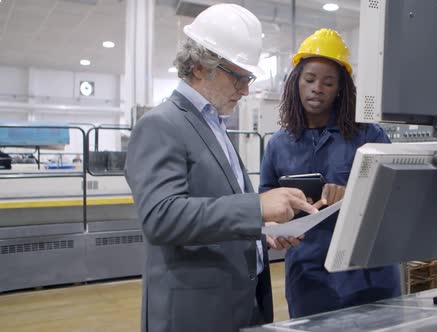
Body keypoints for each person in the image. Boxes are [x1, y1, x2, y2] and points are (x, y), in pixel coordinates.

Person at [124, 4, 316, 332]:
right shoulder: (161, 124)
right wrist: (256, 207)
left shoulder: (214, 124)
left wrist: (262, 232)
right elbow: (161, 218)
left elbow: (215, 210)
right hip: (196, 312)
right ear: (199, 66)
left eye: (249, 78)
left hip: (240, 304)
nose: (245, 89)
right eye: (238, 77)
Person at [259, 28, 401, 318]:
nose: (317, 88)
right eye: (310, 79)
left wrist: (352, 195)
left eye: (328, 82)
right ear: (296, 82)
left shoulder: (368, 135)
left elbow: (397, 198)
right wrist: (275, 230)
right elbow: (265, 200)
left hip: (368, 274)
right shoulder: (279, 144)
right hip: (308, 275)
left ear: (340, 89)